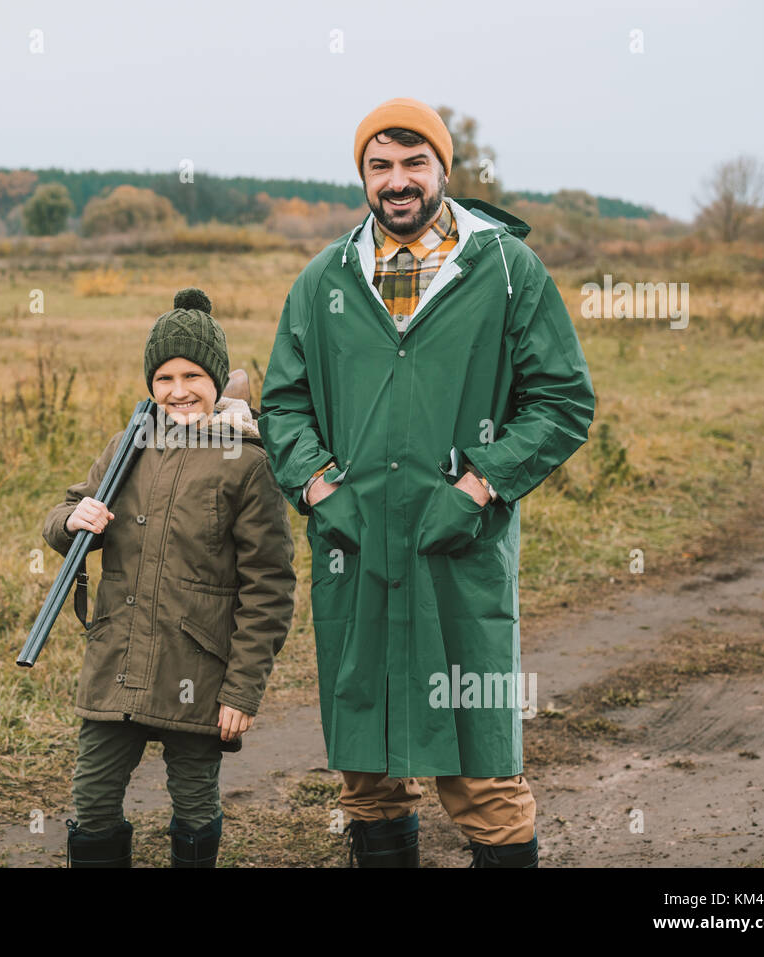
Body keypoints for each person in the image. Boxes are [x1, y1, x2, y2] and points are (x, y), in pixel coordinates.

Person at [258, 98, 595, 868]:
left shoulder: (506, 271)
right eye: (381, 166)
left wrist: (480, 488)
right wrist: (318, 489)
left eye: (415, 163)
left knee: (484, 774)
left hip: (458, 551)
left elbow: (563, 401)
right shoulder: (323, 279)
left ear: (444, 168)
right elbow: (283, 401)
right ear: (364, 176)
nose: (398, 181)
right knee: (367, 771)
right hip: (357, 550)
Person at [42, 288, 296, 868]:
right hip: (117, 662)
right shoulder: (125, 446)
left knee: (194, 807)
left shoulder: (248, 463)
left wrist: (241, 690)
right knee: (93, 805)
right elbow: (66, 518)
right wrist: (70, 521)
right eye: (163, 378)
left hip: (198, 672)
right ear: (149, 384)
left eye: (192, 376)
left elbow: (270, 588)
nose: (178, 390)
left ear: (217, 380)